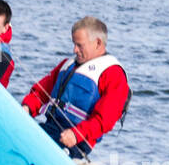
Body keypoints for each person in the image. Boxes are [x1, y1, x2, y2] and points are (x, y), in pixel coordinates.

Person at [21, 15, 129, 157]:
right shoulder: (67, 65)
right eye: (74, 44)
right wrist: (27, 108)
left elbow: (104, 120)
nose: (74, 50)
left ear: (97, 43)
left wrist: (76, 134)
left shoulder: (113, 75)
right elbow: (41, 92)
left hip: (75, 142)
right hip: (50, 128)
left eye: (79, 45)